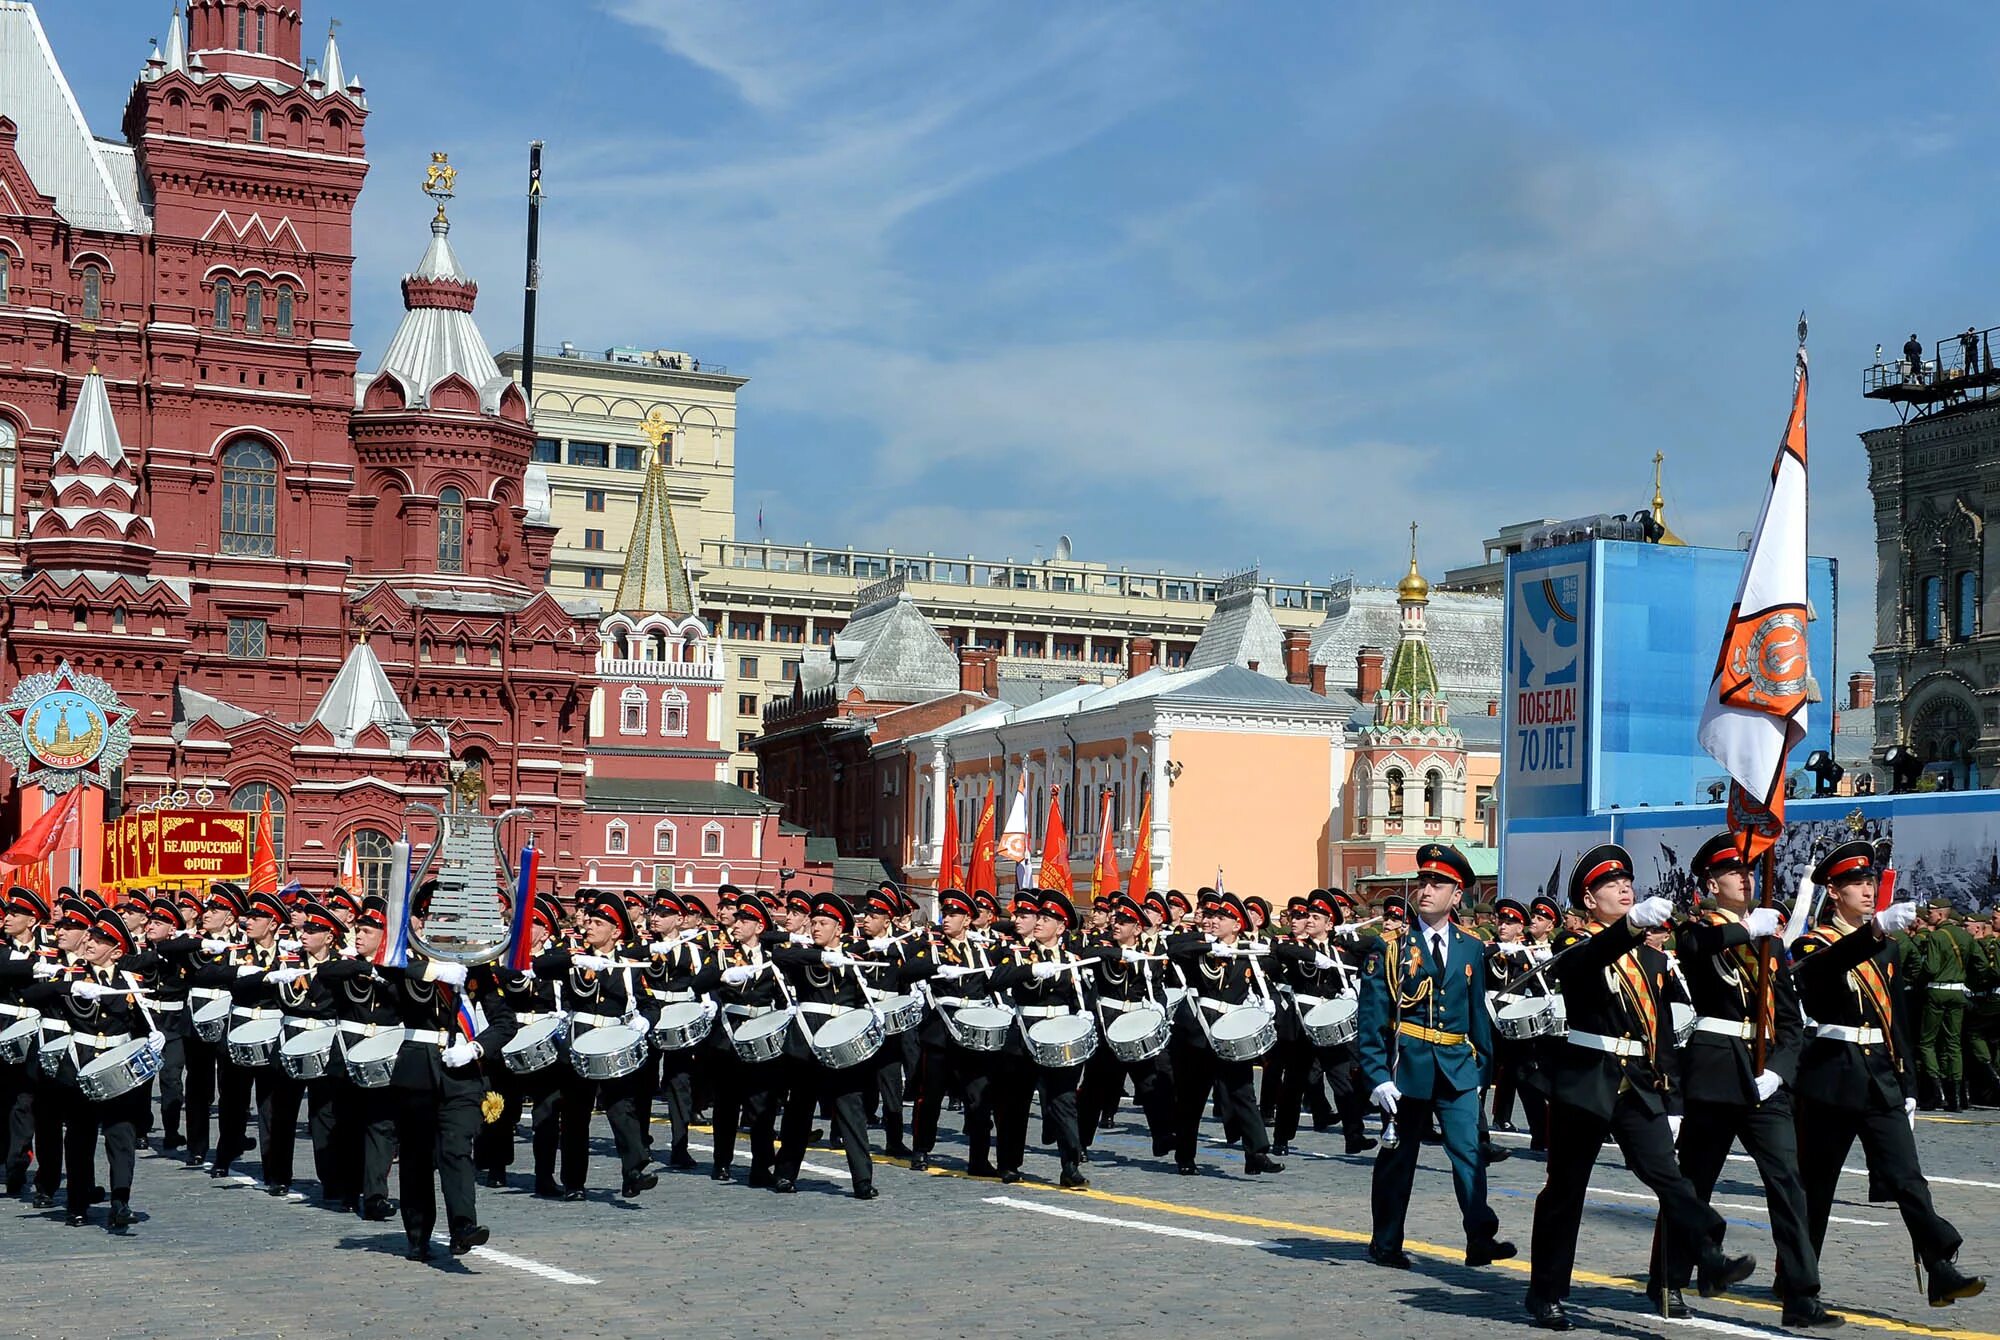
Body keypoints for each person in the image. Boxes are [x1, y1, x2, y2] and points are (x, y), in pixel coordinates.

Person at [1524, 845, 1750, 1331]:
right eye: (1611, 883)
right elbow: (1589, 961)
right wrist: (1628, 929)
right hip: (1585, 1080)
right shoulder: (1573, 943)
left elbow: (1660, 1030)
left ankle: (1709, 1252)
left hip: (1639, 1083)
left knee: (1669, 1178)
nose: (1625, 888)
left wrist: (1672, 1097)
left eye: (1627, 881)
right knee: (1566, 1189)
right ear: (1589, 898)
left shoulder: (1650, 957)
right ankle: (1545, 1291)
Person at [1649, 834, 1838, 1327]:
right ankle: (1669, 1280)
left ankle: (1800, 1294)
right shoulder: (1703, 929)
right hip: (1715, 1071)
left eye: (1748, 871)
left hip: (1764, 1075)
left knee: (1788, 1184)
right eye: (1733, 873)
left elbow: (1791, 1018)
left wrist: (1780, 1070)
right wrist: (1744, 930)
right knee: (1695, 1183)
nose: (1745, 878)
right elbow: (1693, 949)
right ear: (1712, 883)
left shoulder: (1769, 940)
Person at [1791, 841, 1984, 1308]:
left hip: (1880, 1073)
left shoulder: (1889, 949)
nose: (1866, 889)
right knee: (1816, 1188)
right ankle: (1798, 1284)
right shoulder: (1813, 944)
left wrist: (1910, 1082)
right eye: (1856, 883)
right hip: (1830, 1075)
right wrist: (1874, 931)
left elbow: (1897, 1018)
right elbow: (1823, 970)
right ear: (1832, 892)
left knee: (1906, 1176)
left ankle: (1940, 1266)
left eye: (1869, 882)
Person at [1356, 843, 1511, 1272]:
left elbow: (1476, 1011)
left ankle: (1479, 1237)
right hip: (1407, 1066)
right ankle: (1385, 1242)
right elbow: (1372, 1018)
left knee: (1469, 1152)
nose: (1427, 889)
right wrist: (1377, 1077)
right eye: (1423, 881)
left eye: (1438, 883)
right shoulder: (1390, 947)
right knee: (1398, 1158)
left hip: (1458, 1065)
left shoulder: (1470, 946)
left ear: (1456, 895)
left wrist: (1482, 1067)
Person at [984, 890, 1108, 1187]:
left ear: (1062, 927)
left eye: (1047, 918)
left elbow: (1085, 994)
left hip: (1060, 1032)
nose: (1038, 922)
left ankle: (1070, 1166)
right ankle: (1009, 1163)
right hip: (1025, 1032)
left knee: (1064, 1101)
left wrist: (1085, 1013)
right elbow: (995, 979)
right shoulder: (1015, 952)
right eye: (1037, 917)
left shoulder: (1072, 959)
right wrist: (1030, 969)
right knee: (1015, 1102)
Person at [1163, 892, 1284, 1176]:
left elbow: (1277, 963)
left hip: (1231, 1032)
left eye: (1222, 917)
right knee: (1191, 1097)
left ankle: (1256, 1153)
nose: (1214, 920)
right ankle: (1185, 1155)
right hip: (1198, 1032)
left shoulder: (1249, 953)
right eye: (1214, 916)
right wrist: (1209, 946)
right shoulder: (1199, 946)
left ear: (1237, 925)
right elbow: (1173, 947)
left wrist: (1271, 1004)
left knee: (1243, 1092)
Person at [770, 894, 877, 1198]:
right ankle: (785, 1174)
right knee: (798, 1111)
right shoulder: (804, 956)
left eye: (823, 923)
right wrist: (821, 958)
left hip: (842, 1043)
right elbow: (778, 955)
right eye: (814, 922)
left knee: (851, 1111)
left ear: (839, 928)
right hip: (807, 1043)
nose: (815, 928)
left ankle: (862, 1180)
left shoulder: (855, 959)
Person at [692, 897, 788, 1186]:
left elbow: (783, 994)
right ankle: (722, 1161)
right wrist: (723, 976)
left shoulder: (775, 956)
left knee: (763, 1105)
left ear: (759, 926)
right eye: (737, 919)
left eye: (745, 921)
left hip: (762, 1031)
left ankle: (761, 1166)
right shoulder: (722, 953)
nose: (737, 924)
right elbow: (698, 983)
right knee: (727, 1104)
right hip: (730, 1033)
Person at [1268, 889, 1373, 1155]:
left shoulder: (1342, 949)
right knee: (1294, 1083)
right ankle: (1282, 1138)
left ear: (1330, 923)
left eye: (1316, 917)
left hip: (1331, 1026)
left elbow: (1372, 947)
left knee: (1342, 1081)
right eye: (1309, 916)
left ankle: (1354, 1136)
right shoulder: (1298, 946)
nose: (1309, 920)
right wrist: (1316, 957)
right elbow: (1281, 949)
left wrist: (1347, 938)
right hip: (1303, 1025)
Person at [906, 889, 1000, 1175]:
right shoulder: (931, 946)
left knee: (979, 1097)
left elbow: (998, 977)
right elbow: (907, 969)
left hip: (972, 1032)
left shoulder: (983, 950)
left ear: (967, 920)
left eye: (953, 915)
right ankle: (921, 1149)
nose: (946, 919)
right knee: (929, 1096)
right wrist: (936, 967)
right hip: (940, 1033)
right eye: (945, 914)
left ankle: (979, 1159)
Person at [1078, 894, 1178, 1159]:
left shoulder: (1149, 953)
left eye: (1124, 922)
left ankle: (1162, 1137)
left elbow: (1156, 986)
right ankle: (1080, 1143)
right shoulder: (1103, 944)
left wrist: (1159, 1008)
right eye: (1116, 920)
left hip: (1134, 1023)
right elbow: (1088, 953)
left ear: (1137, 927)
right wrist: (1121, 953)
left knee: (1148, 1083)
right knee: (1095, 1087)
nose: (1117, 925)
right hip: (1107, 1022)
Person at [1, 885, 52, 1194]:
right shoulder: (2, 947)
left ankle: (18, 1162)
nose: (7, 917)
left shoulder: (50, 950)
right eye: (8, 912)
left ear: (32, 920)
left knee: (26, 1100)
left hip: (37, 1034)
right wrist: (35, 966)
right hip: (3, 1027)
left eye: (16, 913)